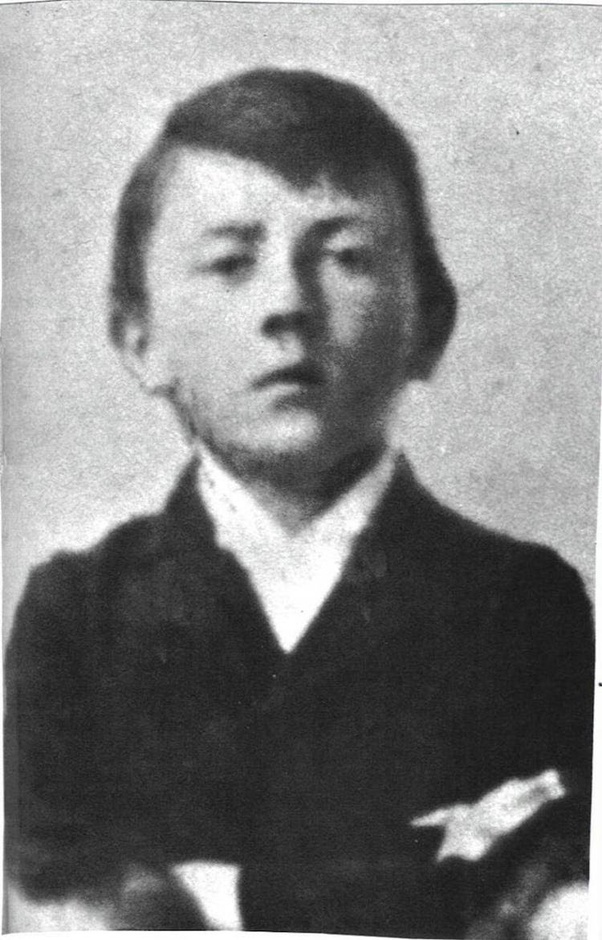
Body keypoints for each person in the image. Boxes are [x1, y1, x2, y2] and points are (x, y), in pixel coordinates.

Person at [5, 68, 594, 937]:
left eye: (347, 257)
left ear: (429, 323)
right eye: (231, 263)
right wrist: (424, 885)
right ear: (139, 335)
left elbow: (551, 901)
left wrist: (219, 894)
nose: (287, 305)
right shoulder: (77, 614)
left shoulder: (523, 605)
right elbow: (53, 909)